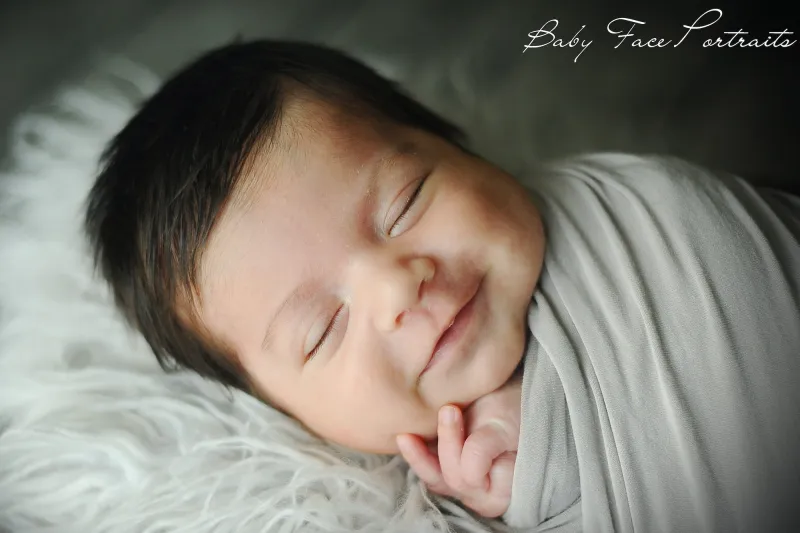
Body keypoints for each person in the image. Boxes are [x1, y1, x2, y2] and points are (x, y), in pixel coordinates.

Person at [84, 40, 800, 531]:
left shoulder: (643, 217)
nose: (397, 289)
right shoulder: (445, 488)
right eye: (322, 328)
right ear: (287, 413)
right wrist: (530, 493)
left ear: (458, 146)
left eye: (406, 202)